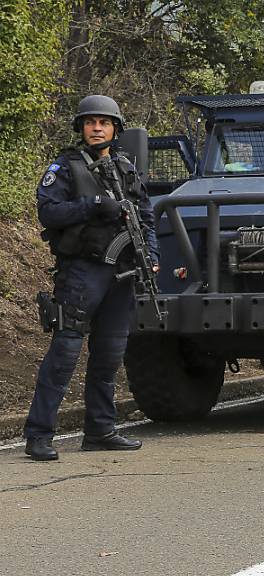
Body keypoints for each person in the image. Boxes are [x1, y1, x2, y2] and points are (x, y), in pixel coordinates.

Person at [23, 95, 159, 461]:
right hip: (83, 271)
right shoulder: (65, 167)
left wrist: (153, 255)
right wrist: (95, 205)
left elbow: (145, 215)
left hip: (122, 272)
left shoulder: (126, 167)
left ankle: (100, 429)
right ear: (81, 128)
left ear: (116, 128)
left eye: (104, 122)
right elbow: (48, 211)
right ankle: (38, 434)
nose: (97, 128)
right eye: (90, 122)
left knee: (109, 356)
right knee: (65, 352)